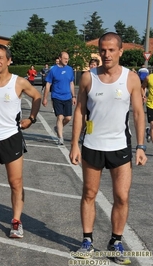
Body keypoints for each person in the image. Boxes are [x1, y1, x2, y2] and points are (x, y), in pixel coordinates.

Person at [69, 32, 147, 265]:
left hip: (120, 146)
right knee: (89, 194)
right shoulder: (88, 77)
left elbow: (138, 113)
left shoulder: (130, 78)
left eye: (112, 50)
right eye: (103, 50)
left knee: (121, 197)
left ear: (120, 51)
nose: (107, 54)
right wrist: (74, 144)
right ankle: (87, 241)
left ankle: (116, 242)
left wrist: (141, 146)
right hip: (92, 145)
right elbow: (80, 111)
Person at [0, 44, 41, 238]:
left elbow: (36, 96)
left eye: (1, 58)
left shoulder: (18, 82)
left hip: (11, 137)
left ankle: (16, 222)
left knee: (16, 182)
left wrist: (32, 118)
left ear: (9, 60)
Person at [42, 52, 76, 145]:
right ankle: (60, 138)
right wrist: (45, 98)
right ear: (60, 58)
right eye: (65, 58)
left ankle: (58, 127)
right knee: (60, 117)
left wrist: (73, 96)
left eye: (68, 58)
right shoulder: (53, 70)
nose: (66, 60)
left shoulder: (70, 70)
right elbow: (48, 84)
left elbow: (71, 83)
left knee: (68, 118)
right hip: (56, 96)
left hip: (67, 96)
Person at [142, 73, 153, 143]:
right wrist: (143, 95)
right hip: (151, 105)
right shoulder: (149, 78)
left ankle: (149, 131)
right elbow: (142, 87)